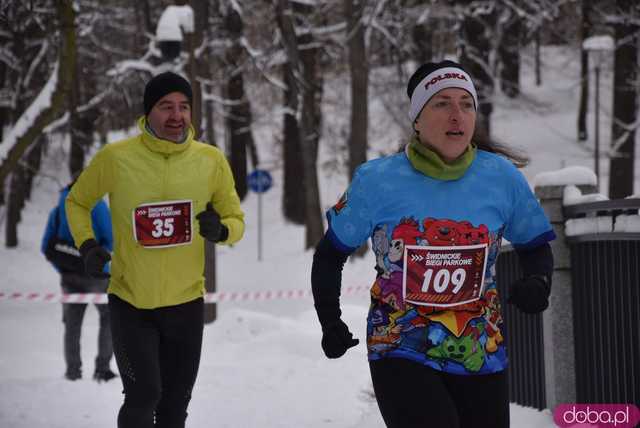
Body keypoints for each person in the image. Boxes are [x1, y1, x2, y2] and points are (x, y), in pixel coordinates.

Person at [311, 60, 555, 428]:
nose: (456, 114)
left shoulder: (501, 177)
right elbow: (330, 254)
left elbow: (535, 246)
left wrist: (539, 282)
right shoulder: (378, 181)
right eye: (442, 103)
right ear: (417, 119)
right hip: (401, 348)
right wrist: (330, 320)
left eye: (466, 104)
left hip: (478, 350)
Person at [66, 71, 245, 428]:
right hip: (132, 302)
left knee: (175, 406)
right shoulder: (116, 158)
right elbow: (77, 202)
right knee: (143, 395)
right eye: (166, 107)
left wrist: (221, 229)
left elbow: (236, 222)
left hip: (186, 305)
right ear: (148, 113)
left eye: (184, 107)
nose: (176, 115)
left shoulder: (210, 160)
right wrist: (87, 245)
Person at [41, 178, 115, 382]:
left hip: (69, 277)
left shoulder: (59, 208)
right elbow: (111, 238)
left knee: (72, 325)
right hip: (97, 276)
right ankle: (102, 369)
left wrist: (65, 269)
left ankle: (73, 371)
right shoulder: (97, 205)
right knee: (109, 318)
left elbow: (46, 245)